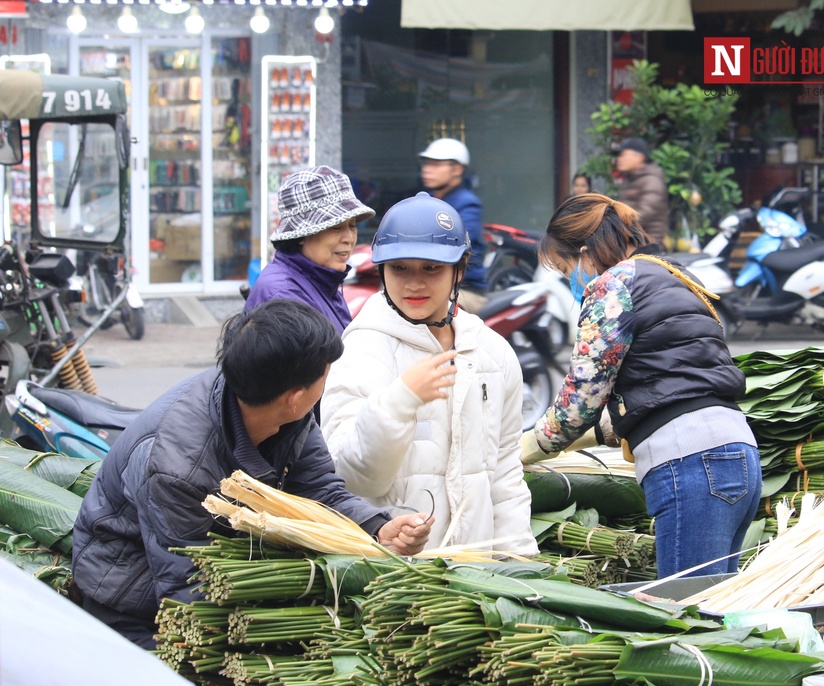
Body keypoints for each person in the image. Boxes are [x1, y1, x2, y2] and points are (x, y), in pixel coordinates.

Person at [72, 300, 433, 649]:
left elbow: (320, 491)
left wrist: (378, 526)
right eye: (325, 373)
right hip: (131, 599)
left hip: (219, 575)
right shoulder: (177, 467)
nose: (327, 379)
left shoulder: (284, 409)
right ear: (295, 396)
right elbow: (187, 589)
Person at [520, 193, 760, 579]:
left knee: (687, 615)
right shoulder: (672, 274)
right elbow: (663, 387)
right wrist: (592, 438)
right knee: (716, 614)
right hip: (738, 456)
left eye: (567, 269)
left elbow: (579, 400)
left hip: (690, 465)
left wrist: (528, 446)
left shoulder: (611, 285)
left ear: (584, 254)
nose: (573, 281)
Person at [321, 192, 538, 557]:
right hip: (396, 577)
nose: (414, 284)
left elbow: (504, 474)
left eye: (431, 268)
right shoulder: (361, 349)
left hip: (476, 578)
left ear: (461, 269)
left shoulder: (493, 353)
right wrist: (400, 401)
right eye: (399, 268)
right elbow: (353, 477)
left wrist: (518, 564)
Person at [245, 165, 375, 335]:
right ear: (301, 235)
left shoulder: (323, 280)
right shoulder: (283, 296)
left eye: (352, 226)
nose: (349, 238)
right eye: (336, 227)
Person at [418, 138, 489, 312]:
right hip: (428, 283)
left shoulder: (467, 203)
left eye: (436, 165)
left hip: (462, 290)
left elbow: (457, 240)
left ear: (457, 169)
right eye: (426, 164)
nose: (427, 170)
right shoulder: (426, 199)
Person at [613, 137, 670, 249]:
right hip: (633, 246)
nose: (619, 159)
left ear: (639, 157)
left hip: (647, 248)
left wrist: (613, 224)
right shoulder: (631, 179)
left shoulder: (651, 180)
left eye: (623, 155)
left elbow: (643, 214)